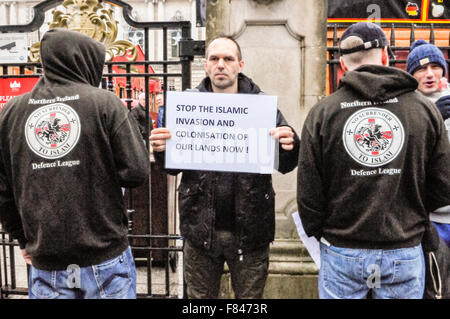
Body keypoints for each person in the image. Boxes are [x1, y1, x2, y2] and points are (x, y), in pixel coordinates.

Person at [297, 22, 450, 299]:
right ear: (385, 54)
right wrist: (409, 216)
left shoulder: (322, 113)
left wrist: (328, 235)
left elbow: (309, 193)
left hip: (342, 249)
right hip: (403, 249)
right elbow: (443, 187)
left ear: (342, 65)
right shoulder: (424, 110)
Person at [0, 29, 150, 299]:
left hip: (46, 258)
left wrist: (22, 239)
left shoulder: (11, 112)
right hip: (104, 253)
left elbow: (2, 189)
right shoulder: (105, 103)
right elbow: (137, 171)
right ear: (85, 61)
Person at [149, 36, 300, 298]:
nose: (221, 64)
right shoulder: (187, 106)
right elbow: (172, 168)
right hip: (200, 229)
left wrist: (291, 143)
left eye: (228, 59)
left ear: (240, 65)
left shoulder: (262, 106)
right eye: (215, 59)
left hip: (251, 230)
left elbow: (285, 163)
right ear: (206, 65)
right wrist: (161, 151)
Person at [406, 39, 450, 299]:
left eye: (436, 66)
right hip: (430, 220)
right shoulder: (406, 106)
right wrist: (433, 116)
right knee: (435, 289)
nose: (430, 74)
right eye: (421, 69)